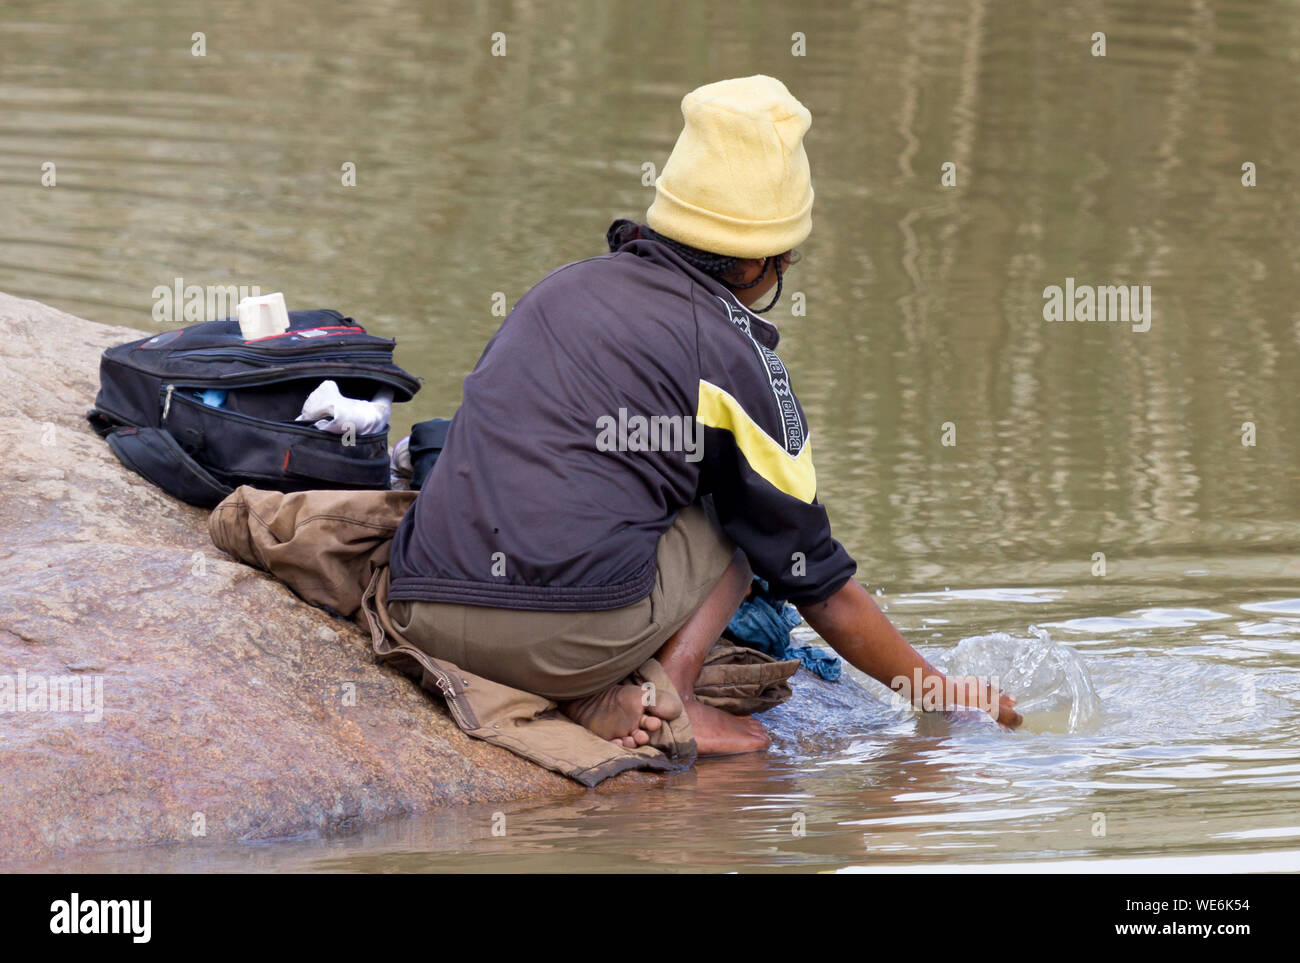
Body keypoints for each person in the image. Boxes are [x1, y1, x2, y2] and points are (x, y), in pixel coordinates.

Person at [387, 74, 1021, 755]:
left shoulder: (560, 290)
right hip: (554, 642)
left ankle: (595, 692)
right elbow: (817, 580)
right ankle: (673, 697)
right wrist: (940, 690)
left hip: (422, 608)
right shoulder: (733, 359)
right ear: (762, 261)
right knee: (748, 514)